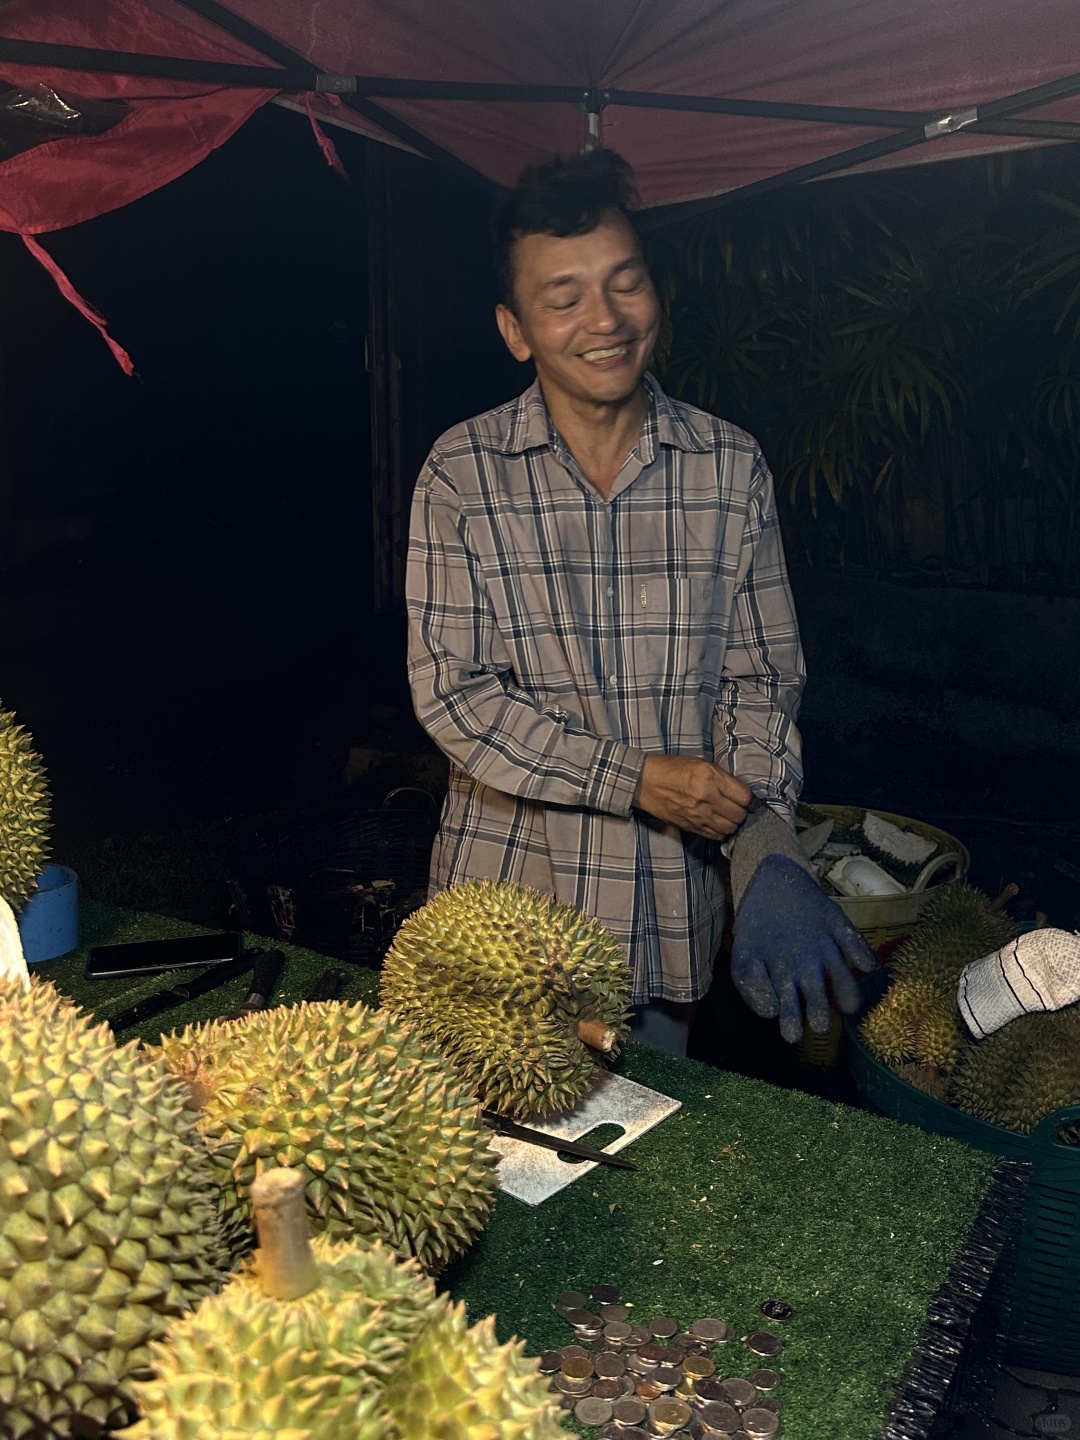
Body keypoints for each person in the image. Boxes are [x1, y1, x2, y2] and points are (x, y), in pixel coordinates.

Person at [405, 149, 872, 1056]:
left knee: (639, 1153)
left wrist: (764, 843)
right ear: (515, 329)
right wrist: (633, 778)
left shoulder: (728, 466)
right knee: (484, 1165)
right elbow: (457, 696)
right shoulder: (460, 475)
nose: (606, 319)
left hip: (665, 915)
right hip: (501, 910)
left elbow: (762, 678)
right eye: (565, 296)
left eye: (626, 283)